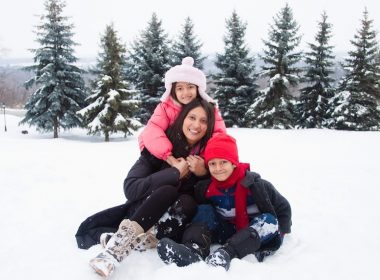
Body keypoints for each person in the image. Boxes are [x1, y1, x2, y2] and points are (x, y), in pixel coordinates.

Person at [84, 99, 216, 278]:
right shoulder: (159, 147)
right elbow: (131, 188)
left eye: (203, 121)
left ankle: (146, 240)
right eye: (192, 117)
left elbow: (210, 200)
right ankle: (115, 249)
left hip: (170, 225)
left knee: (188, 201)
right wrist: (174, 173)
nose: (196, 125)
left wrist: (203, 174)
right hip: (142, 212)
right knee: (168, 190)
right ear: (182, 118)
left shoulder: (209, 157)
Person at [157, 133, 292, 270]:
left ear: (233, 163)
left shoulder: (257, 186)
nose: (218, 168)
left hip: (253, 233)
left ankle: (227, 253)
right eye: (212, 163)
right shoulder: (206, 188)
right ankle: (193, 249)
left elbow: (283, 207)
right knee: (204, 210)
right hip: (226, 230)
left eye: (223, 162)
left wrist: (281, 231)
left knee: (269, 221)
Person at [138, 56, 226, 166]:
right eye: (180, 88)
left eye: (190, 87)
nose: (186, 93)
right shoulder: (165, 107)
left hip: (195, 159)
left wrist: (203, 160)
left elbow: (219, 135)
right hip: (164, 157)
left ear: (198, 88)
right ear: (173, 90)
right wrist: (168, 156)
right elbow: (153, 130)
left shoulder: (209, 109)